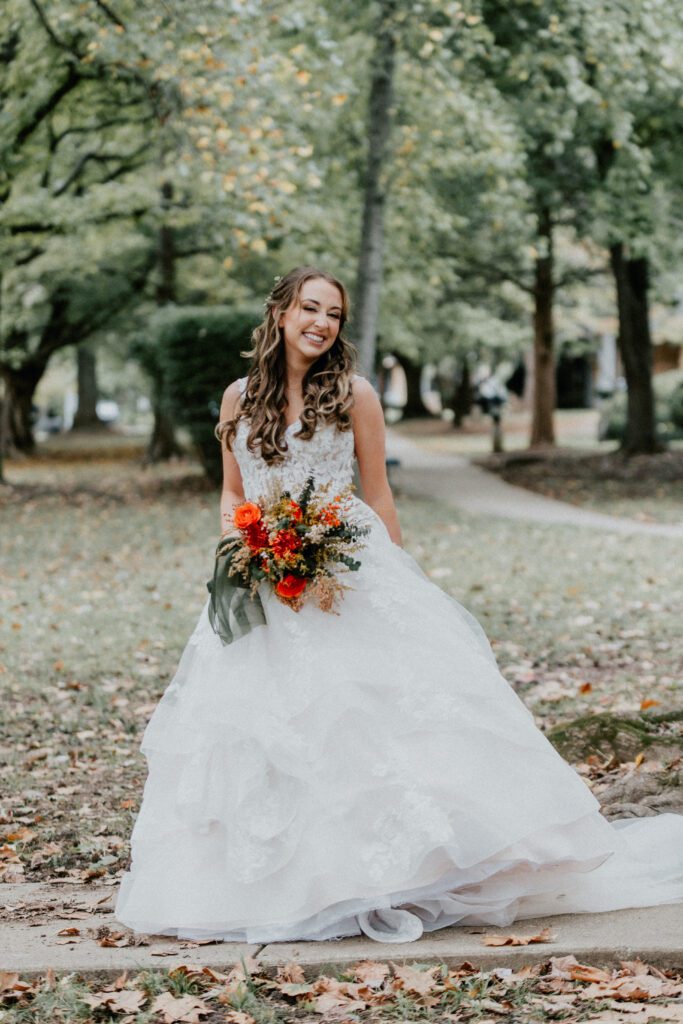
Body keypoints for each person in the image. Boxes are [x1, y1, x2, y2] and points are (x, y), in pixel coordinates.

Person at [115, 265, 683, 944]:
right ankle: (298, 880)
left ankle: (420, 866)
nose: (321, 323)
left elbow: (377, 494)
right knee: (269, 730)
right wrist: (241, 552)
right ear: (279, 313)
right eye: (310, 308)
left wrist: (399, 580)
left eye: (333, 314)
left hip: (347, 569)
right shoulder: (238, 398)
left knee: (373, 714)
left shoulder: (354, 395)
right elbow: (231, 492)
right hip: (261, 576)